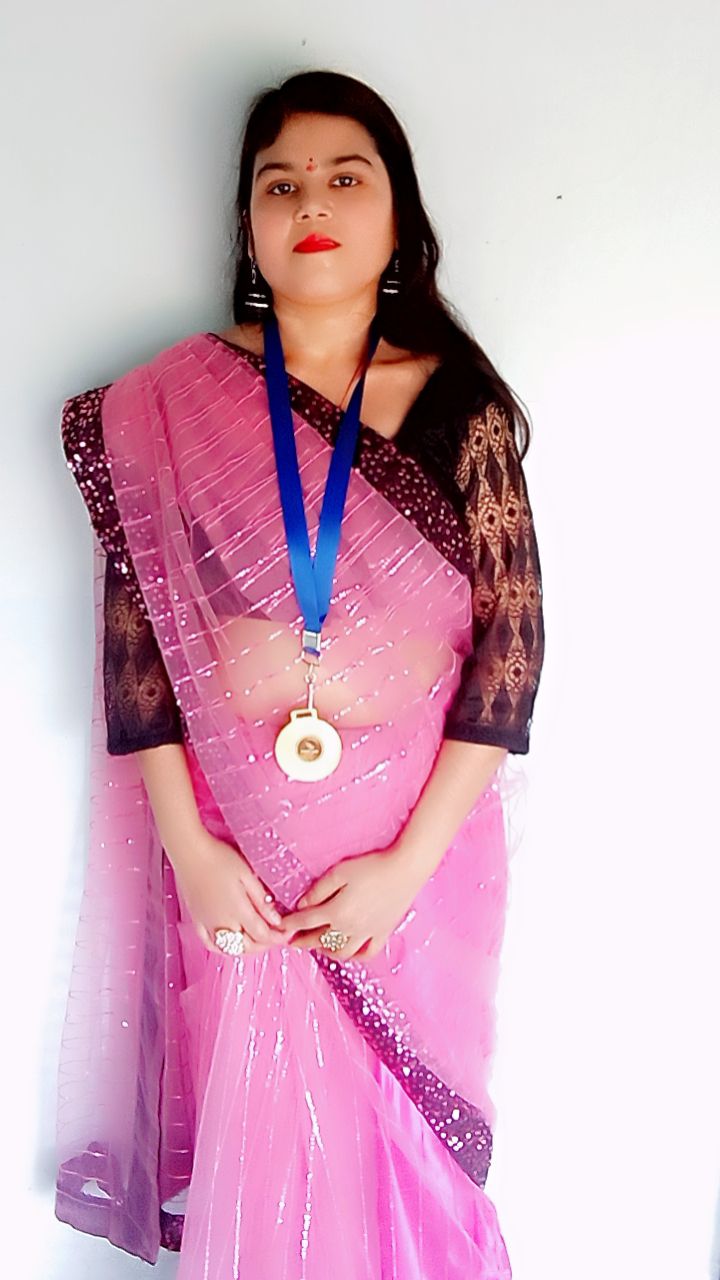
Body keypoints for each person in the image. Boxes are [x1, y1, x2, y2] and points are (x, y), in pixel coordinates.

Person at [54, 69, 545, 1279]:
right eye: (280, 183)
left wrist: (405, 870)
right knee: (269, 1149)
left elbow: (513, 653)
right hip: (241, 855)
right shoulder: (169, 408)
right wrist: (192, 853)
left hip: (409, 863)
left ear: (399, 217)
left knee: (397, 1153)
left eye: (344, 177)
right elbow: (137, 655)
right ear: (248, 226)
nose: (310, 202)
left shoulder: (459, 409)